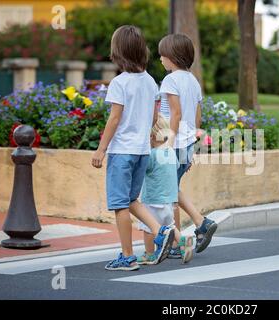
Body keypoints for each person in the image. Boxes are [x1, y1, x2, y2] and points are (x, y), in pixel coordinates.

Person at [91, 25, 174, 271]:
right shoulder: (150, 82)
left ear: (118, 52)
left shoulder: (119, 83)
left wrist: (101, 149)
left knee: (119, 205)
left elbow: (114, 119)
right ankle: (161, 233)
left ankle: (127, 257)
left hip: (121, 152)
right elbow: (154, 117)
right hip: (141, 151)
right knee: (131, 200)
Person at [158, 33, 218, 257]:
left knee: (168, 196)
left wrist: (169, 143)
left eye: (162, 55)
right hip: (186, 144)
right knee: (172, 190)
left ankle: (176, 244)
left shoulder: (170, 80)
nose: (160, 60)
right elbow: (196, 116)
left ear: (172, 57)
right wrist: (190, 145)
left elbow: (176, 113)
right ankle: (200, 223)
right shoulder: (192, 80)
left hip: (171, 144)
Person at [137, 114, 194, 265]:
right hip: (169, 201)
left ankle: (149, 253)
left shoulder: (152, 155)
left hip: (153, 200)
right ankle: (182, 241)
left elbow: (142, 170)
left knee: (148, 228)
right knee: (170, 226)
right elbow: (173, 169)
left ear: (152, 136)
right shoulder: (170, 154)